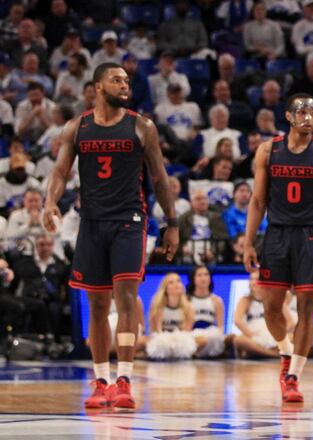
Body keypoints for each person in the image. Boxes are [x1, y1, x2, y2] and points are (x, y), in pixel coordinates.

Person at [42, 62, 179, 410]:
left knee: (126, 298)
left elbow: (160, 179)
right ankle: (101, 380)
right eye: (116, 80)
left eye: (127, 81)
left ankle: (125, 379)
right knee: (97, 305)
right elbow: (59, 171)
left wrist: (172, 223)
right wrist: (49, 203)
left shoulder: (141, 126)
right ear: (97, 87)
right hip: (91, 222)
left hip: (129, 221)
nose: (124, 85)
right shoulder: (78, 127)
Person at [243, 93, 313, 403]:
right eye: (302, 112)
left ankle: (293, 377)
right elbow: (258, 201)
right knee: (271, 307)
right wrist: (249, 241)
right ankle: (285, 353)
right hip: (276, 234)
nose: (308, 118)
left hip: (311, 236)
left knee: (305, 309)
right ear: (289, 117)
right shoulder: (268, 150)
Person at [232, 272, 286, 359]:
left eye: (257, 279)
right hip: (254, 335)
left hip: (272, 334)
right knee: (238, 340)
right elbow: (237, 320)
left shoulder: (273, 299)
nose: (254, 282)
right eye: (251, 279)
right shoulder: (245, 300)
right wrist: (252, 335)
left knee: (292, 337)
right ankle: (273, 354)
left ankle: (260, 353)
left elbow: (289, 320)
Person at [145, 273, 197, 360]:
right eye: (171, 282)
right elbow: (156, 331)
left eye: (178, 281)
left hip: (180, 338)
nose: (176, 284)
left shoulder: (189, 307)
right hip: (161, 338)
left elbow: (187, 331)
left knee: (201, 340)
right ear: (165, 289)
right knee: (142, 341)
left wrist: (175, 340)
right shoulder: (157, 306)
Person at [187, 265, 228, 358]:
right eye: (199, 275)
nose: (203, 278)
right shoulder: (186, 299)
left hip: (211, 334)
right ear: (193, 279)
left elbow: (220, 326)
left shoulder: (217, 300)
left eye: (206, 275)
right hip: (192, 333)